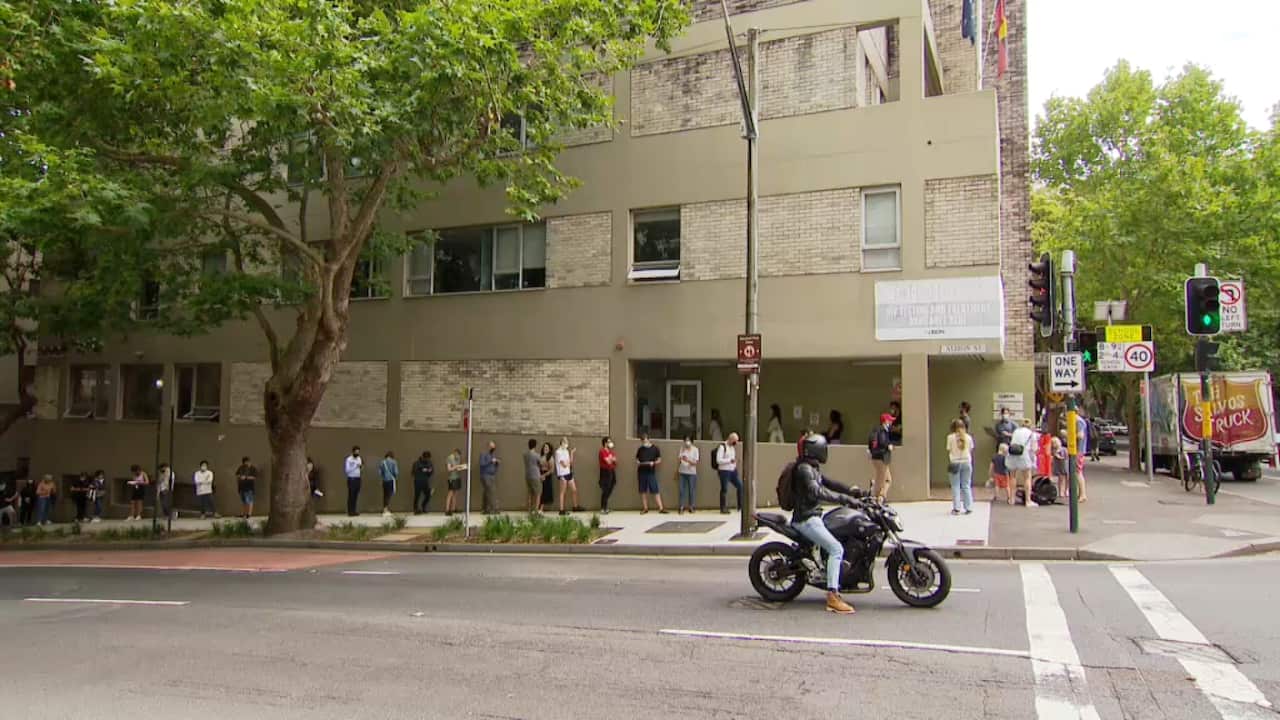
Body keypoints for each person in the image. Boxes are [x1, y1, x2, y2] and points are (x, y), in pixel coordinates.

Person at [789, 433, 861, 615]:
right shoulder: (804, 469)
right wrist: (845, 499)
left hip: (815, 516)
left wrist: (852, 491)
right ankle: (833, 597)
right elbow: (818, 491)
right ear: (816, 449)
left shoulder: (812, 467)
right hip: (806, 519)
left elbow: (830, 483)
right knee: (836, 549)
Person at [946, 419, 975, 516]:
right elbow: (970, 449)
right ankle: (968, 507)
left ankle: (957, 509)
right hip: (966, 462)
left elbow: (949, 449)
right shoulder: (968, 437)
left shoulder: (950, 437)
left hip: (954, 463)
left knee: (955, 486)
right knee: (966, 485)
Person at [1007, 420, 1037, 508]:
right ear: (1030, 426)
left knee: (1012, 476)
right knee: (1027, 477)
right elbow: (1034, 448)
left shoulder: (1016, 431)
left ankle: (1012, 499)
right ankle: (1028, 500)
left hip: (1012, 454)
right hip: (1024, 455)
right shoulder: (1031, 434)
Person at [635, 433, 666, 514]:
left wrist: (654, 463)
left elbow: (659, 460)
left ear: (649, 439)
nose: (644, 442)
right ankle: (645, 508)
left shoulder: (655, 448)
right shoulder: (640, 449)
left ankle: (661, 508)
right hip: (641, 472)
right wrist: (638, 462)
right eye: (642, 441)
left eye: (645, 440)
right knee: (643, 491)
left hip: (651, 472)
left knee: (655, 490)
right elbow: (637, 459)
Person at [868, 413, 895, 501]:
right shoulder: (882, 431)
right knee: (883, 480)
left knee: (886, 479)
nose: (891, 422)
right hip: (881, 458)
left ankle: (880, 496)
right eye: (890, 420)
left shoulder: (878, 430)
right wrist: (888, 446)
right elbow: (883, 442)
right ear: (886, 421)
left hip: (877, 457)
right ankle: (878, 498)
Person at [991, 407, 1018, 488]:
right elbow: (1003, 433)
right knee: (999, 465)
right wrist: (1010, 434)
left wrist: (1010, 434)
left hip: (1010, 446)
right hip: (1001, 447)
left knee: (1010, 465)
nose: (1005, 415)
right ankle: (999, 483)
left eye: (1006, 413)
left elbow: (1016, 433)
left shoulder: (1013, 424)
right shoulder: (999, 424)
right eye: (1003, 413)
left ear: (1009, 414)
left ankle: (1009, 482)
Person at [716, 433, 743, 515]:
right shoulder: (722, 447)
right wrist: (729, 460)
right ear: (730, 439)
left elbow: (733, 458)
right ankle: (723, 507)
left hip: (732, 470)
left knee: (740, 486)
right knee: (724, 489)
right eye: (735, 441)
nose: (736, 443)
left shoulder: (732, 448)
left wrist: (734, 463)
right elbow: (719, 460)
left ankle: (740, 506)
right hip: (724, 471)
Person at [555, 438, 581, 515]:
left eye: (567, 442)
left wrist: (572, 453)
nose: (567, 444)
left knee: (574, 490)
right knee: (563, 492)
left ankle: (575, 507)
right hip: (562, 474)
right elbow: (564, 465)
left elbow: (570, 462)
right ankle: (561, 510)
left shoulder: (566, 451)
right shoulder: (558, 452)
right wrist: (567, 463)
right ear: (562, 442)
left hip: (569, 473)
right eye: (565, 442)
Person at [677, 435, 699, 514]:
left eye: (688, 440)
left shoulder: (695, 450)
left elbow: (695, 462)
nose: (687, 442)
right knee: (681, 490)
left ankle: (691, 506)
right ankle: (681, 507)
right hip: (682, 471)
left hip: (691, 473)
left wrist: (688, 460)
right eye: (686, 440)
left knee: (691, 490)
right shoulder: (682, 449)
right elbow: (679, 459)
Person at [598, 437, 618, 514]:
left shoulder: (610, 451)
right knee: (606, 489)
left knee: (612, 484)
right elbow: (608, 462)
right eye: (609, 441)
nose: (610, 443)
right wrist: (611, 459)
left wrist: (611, 459)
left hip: (612, 471)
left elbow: (615, 461)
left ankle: (605, 506)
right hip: (605, 472)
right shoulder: (602, 451)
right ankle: (603, 508)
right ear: (605, 443)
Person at [478, 443, 499, 515]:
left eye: (494, 447)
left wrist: (496, 463)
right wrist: (490, 461)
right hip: (485, 475)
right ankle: (493, 509)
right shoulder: (483, 454)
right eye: (492, 447)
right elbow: (482, 464)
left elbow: (493, 465)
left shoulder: (492, 455)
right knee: (490, 492)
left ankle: (484, 509)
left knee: (486, 493)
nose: (493, 448)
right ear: (488, 447)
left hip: (492, 475)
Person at [522, 441, 542, 513]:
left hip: (528, 475)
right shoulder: (536, 455)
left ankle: (529, 510)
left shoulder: (525, 455)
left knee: (530, 493)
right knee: (538, 493)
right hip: (535, 475)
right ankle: (536, 510)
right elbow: (540, 464)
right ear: (535, 446)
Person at [444, 449, 465, 516]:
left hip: (457, 477)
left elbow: (457, 468)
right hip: (452, 478)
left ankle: (453, 509)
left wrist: (461, 467)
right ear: (454, 453)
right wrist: (456, 467)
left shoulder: (458, 458)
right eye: (457, 455)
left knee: (455, 494)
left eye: (459, 456)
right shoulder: (450, 458)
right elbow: (449, 469)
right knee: (450, 494)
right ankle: (447, 510)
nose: (458, 457)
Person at [379, 451, 400, 517]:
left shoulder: (382, 462)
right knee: (389, 495)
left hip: (384, 481)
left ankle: (385, 508)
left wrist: (383, 477)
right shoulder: (394, 462)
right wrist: (396, 478)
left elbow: (380, 472)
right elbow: (396, 472)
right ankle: (385, 509)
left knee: (385, 494)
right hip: (391, 480)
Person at [344, 447, 363, 517]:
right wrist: (355, 465)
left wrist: (360, 467)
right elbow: (347, 470)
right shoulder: (349, 459)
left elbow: (360, 467)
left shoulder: (359, 458)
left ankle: (354, 510)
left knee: (355, 495)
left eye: (358, 452)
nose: (357, 453)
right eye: (356, 452)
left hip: (358, 478)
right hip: (351, 479)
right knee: (351, 495)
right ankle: (350, 511)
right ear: (353, 452)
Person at [538, 442, 554, 513]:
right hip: (539, 474)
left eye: (547, 447)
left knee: (544, 492)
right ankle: (537, 508)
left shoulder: (550, 458)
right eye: (544, 447)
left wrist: (544, 475)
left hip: (546, 475)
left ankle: (541, 509)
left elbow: (552, 470)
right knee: (539, 492)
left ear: (549, 449)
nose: (545, 448)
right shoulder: (541, 456)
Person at [1052, 434, 1069, 499]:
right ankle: (1061, 492)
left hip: (1065, 465)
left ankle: (1066, 490)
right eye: (1053, 443)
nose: (1055, 444)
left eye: (1056, 442)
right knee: (1061, 479)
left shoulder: (1063, 449)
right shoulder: (1054, 451)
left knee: (1067, 478)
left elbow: (1066, 456)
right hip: (1060, 467)